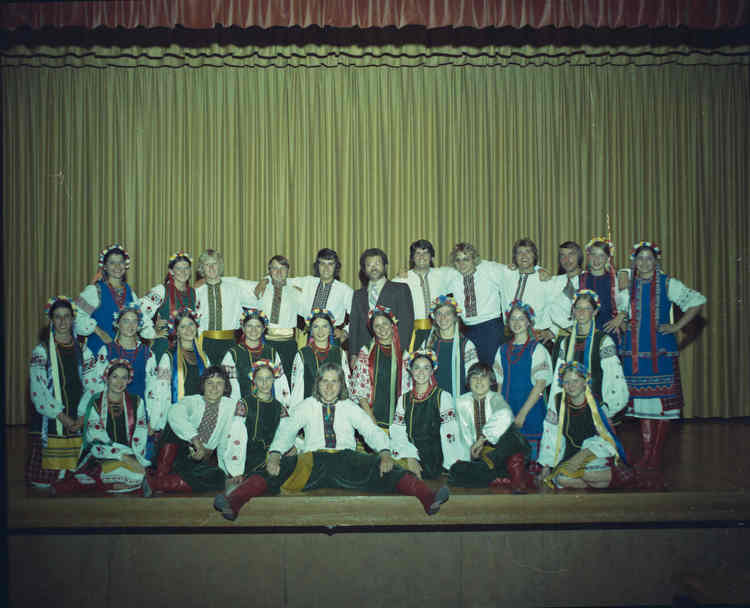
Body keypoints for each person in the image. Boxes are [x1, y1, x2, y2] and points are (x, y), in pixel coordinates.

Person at [213, 362, 450, 521]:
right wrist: (275, 455)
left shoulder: (349, 407)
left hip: (347, 463)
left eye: (334, 381)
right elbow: (286, 431)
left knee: (389, 468)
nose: (329, 386)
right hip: (313, 463)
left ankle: (428, 498)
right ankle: (233, 502)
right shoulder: (307, 405)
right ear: (317, 383)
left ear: (341, 384)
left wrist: (385, 453)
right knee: (272, 470)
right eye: (324, 381)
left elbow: (371, 431)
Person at [621, 241, 706, 475]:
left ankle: (655, 457)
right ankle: (647, 455)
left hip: (660, 353)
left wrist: (677, 326)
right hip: (635, 354)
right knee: (643, 408)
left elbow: (697, 301)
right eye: (640, 258)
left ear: (656, 261)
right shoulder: (628, 285)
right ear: (634, 262)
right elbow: (621, 310)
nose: (644, 263)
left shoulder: (668, 283)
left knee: (662, 407)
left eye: (649, 258)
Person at [50, 359, 151, 495]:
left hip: (130, 453)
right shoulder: (96, 403)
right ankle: (110, 484)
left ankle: (112, 485)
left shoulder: (137, 402)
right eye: (115, 377)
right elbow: (96, 439)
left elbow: (140, 433)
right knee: (107, 471)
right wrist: (122, 455)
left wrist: (134, 457)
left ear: (129, 380)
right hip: (103, 453)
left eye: (124, 378)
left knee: (136, 472)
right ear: (107, 378)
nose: (119, 382)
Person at [27, 296, 96, 489]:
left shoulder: (84, 350)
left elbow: (93, 384)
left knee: (83, 479)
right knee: (44, 483)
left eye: (67, 316)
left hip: (78, 413)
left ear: (73, 319)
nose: (63, 321)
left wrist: (82, 415)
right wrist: (61, 416)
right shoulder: (41, 352)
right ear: (51, 320)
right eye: (58, 317)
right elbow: (39, 389)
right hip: (52, 417)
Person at [142, 366, 244, 495]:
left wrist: (229, 472)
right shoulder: (192, 401)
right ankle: (161, 474)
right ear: (203, 385)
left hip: (197, 462)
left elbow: (226, 442)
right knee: (174, 423)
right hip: (175, 454)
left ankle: (155, 483)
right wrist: (195, 440)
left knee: (218, 477)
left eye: (219, 383)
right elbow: (174, 412)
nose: (214, 388)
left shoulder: (230, 407)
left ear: (225, 387)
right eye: (210, 383)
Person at [539, 362, 634, 490]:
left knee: (588, 473)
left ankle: (608, 478)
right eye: (566, 382)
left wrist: (581, 456)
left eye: (575, 381)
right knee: (561, 479)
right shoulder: (558, 402)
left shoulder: (596, 404)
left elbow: (606, 437)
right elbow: (551, 434)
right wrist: (546, 465)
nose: (571, 386)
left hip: (594, 451)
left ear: (585, 381)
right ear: (562, 384)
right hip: (571, 452)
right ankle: (597, 484)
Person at [447, 363, 533, 491]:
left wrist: (482, 439)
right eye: (474, 377)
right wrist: (471, 453)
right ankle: (504, 475)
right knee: (455, 470)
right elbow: (463, 434)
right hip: (481, 457)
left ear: (491, 381)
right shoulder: (461, 402)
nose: (479, 381)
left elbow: (505, 414)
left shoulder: (495, 398)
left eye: (483, 377)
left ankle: (495, 470)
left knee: (512, 434)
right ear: (468, 382)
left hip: (501, 451)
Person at [549, 290, 629, 423]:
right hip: (570, 406)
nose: (581, 312)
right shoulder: (566, 342)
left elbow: (613, 378)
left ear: (595, 312)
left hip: (597, 406)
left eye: (587, 308)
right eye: (578, 308)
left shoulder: (603, 341)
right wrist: (556, 408)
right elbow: (559, 377)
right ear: (573, 311)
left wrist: (608, 409)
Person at [493, 300, 553, 464]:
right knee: (510, 464)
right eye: (513, 319)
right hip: (508, 408)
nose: (517, 323)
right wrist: (499, 411)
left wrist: (522, 414)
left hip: (530, 410)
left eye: (521, 319)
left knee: (531, 463)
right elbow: (499, 384)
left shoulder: (537, 349)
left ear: (528, 322)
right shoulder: (502, 350)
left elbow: (540, 385)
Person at [256, 248, 354, 347]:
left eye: (330, 264)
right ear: (317, 266)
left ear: (336, 266)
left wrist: (345, 331)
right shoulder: (307, 282)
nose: (326, 268)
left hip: (331, 337)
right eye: (322, 264)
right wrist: (265, 279)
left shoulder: (345, 290)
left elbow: (357, 315)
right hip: (308, 337)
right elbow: (281, 278)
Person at [389, 350, 463, 479]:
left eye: (426, 368)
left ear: (432, 371)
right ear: (411, 370)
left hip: (435, 459)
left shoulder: (442, 396)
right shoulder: (404, 399)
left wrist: (451, 465)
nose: (421, 372)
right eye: (417, 368)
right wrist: (410, 456)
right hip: (409, 453)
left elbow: (450, 433)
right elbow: (398, 431)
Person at [75, 244, 154, 355]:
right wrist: (100, 332)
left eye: (120, 262)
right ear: (105, 266)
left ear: (125, 265)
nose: (117, 266)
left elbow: (142, 319)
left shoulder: (129, 291)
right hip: (100, 350)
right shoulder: (95, 290)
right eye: (112, 263)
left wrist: (154, 333)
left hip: (124, 351)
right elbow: (76, 315)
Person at [223, 359, 290, 490]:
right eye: (260, 379)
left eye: (268, 378)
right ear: (253, 380)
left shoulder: (279, 407)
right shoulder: (245, 404)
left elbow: (285, 434)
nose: (264, 383)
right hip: (248, 457)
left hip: (272, 456)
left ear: (273, 379)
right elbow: (236, 437)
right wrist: (236, 470)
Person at [349, 248, 414, 366]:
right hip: (364, 354)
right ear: (364, 269)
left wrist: (400, 351)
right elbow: (354, 327)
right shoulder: (358, 295)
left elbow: (406, 324)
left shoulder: (401, 289)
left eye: (377, 263)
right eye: (369, 265)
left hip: (392, 352)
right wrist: (353, 354)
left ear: (385, 266)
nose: (373, 267)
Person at [350, 306, 411, 431]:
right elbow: (360, 392)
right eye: (377, 326)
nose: (382, 329)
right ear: (372, 330)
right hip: (371, 420)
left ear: (392, 325)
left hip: (398, 423)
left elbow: (407, 392)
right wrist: (373, 424)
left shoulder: (403, 355)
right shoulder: (366, 352)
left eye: (385, 323)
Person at [194, 249, 258, 365]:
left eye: (214, 263)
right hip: (204, 343)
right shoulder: (196, 292)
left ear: (220, 265)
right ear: (202, 268)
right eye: (207, 264)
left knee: (230, 374)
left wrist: (267, 280)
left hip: (230, 342)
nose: (211, 268)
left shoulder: (234, 288)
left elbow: (257, 296)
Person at [151, 307, 210, 433]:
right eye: (183, 327)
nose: (188, 329)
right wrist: (156, 421)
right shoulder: (168, 357)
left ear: (196, 326)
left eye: (191, 324)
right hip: (177, 418)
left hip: (200, 416)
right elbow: (160, 390)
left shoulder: (204, 357)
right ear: (176, 332)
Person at [250, 255, 305, 380]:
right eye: (274, 268)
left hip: (288, 344)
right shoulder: (260, 289)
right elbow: (235, 283)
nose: (279, 272)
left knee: (288, 379)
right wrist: (265, 280)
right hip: (265, 342)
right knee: (265, 378)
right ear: (269, 271)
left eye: (282, 268)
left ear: (288, 271)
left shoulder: (296, 292)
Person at [221, 308, 291, 406]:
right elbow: (230, 388)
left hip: (269, 406)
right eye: (249, 326)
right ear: (243, 328)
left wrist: (284, 405)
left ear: (263, 329)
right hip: (243, 408)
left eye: (258, 326)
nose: (253, 330)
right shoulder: (233, 354)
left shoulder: (271, 352)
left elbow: (281, 382)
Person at [393, 240, 452, 351]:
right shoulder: (400, 280)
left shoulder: (443, 275)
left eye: (426, 253)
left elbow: (461, 268)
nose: (422, 256)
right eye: (418, 253)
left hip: (440, 330)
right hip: (411, 333)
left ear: (432, 257)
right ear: (412, 258)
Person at [139, 250, 197, 361]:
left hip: (187, 348)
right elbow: (139, 313)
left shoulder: (193, 293)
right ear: (171, 271)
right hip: (165, 348)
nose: (183, 272)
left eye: (186, 268)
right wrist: (151, 332)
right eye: (178, 268)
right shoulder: (161, 290)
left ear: (190, 270)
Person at [290, 309, 351, 407]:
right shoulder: (302, 354)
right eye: (316, 327)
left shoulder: (339, 353)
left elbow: (346, 384)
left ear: (330, 329)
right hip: (310, 409)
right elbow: (297, 390)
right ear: (311, 330)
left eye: (325, 326)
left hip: (336, 408)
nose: (320, 331)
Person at [420, 295, 478, 399]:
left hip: (458, 400)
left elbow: (473, 377)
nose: (443, 318)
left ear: (455, 317)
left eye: (448, 313)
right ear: (434, 317)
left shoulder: (466, 345)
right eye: (439, 314)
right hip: (432, 399)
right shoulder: (428, 343)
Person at [578, 237, 628, 336]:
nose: (596, 259)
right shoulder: (580, 279)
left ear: (608, 258)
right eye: (593, 254)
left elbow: (629, 301)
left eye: (601, 255)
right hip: (585, 329)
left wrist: (621, 316)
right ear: (588, 256)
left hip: (610, 328)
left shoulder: (616, 279)